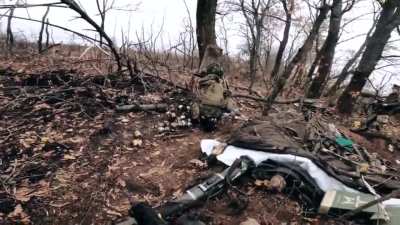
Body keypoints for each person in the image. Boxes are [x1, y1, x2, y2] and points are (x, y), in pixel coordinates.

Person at [191, 63, 236, 131]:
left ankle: (195, 125)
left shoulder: (200, 81)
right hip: (218, 111)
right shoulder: (222, 82)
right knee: (229, 100)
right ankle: (229, 116)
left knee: (195, 103)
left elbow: (196, 94)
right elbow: (226, 95)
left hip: (202, 110)